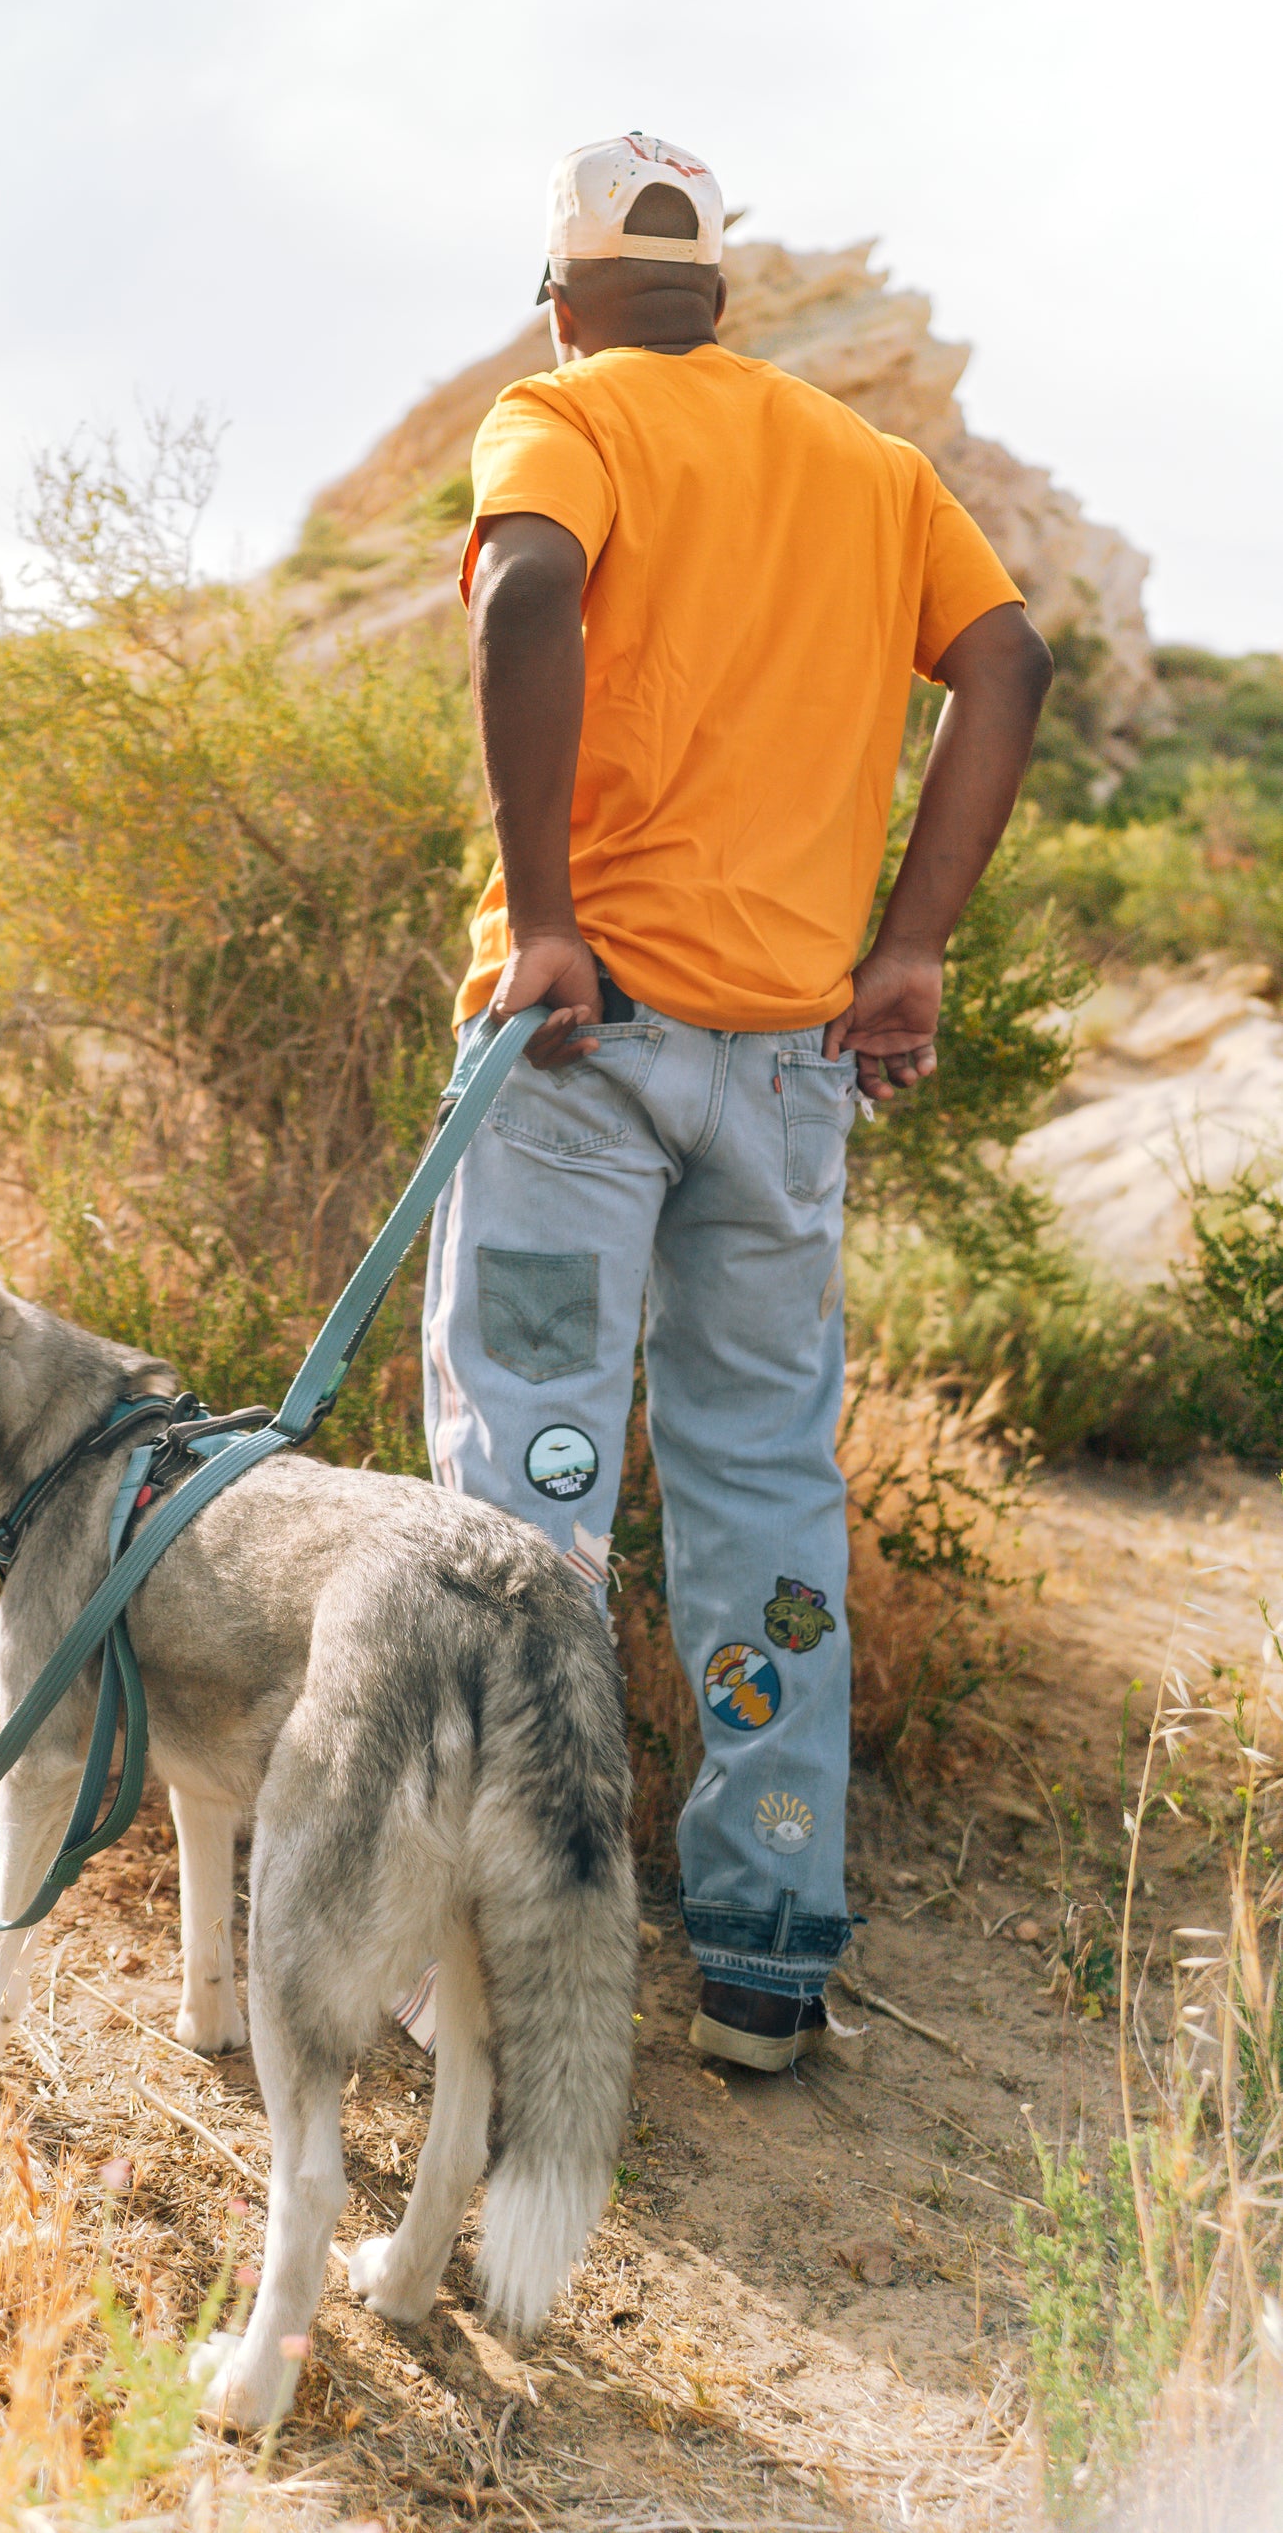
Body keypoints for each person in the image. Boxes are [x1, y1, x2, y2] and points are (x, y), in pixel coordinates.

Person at [422, 130, 1052, 2073]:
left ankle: (500, 1953)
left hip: (581, 1057)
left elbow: (527, 592)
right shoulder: (870, 470)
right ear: (723, 293)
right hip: (787, 1070)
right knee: (764, 1488)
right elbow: (1007, 659)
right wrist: (909, 946)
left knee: (524, 1484)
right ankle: (767, 1957)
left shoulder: (564, 417)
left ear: (561, 298)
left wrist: (544, 920)